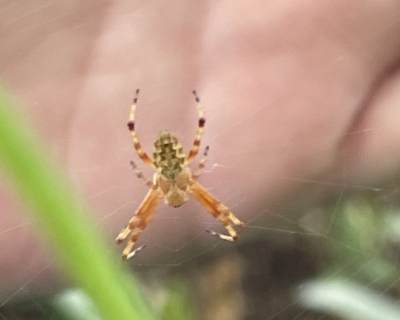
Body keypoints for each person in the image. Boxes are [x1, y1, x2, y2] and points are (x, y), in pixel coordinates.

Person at [1, 0, 400, 296]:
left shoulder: (169, 175)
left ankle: (146, 248)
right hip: (168, 162)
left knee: (216, 214)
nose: (176, 193)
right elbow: (151, 151)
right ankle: (125, 252)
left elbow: (167, 152)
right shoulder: (169, 178)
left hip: (169, 161)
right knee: (142, 224)